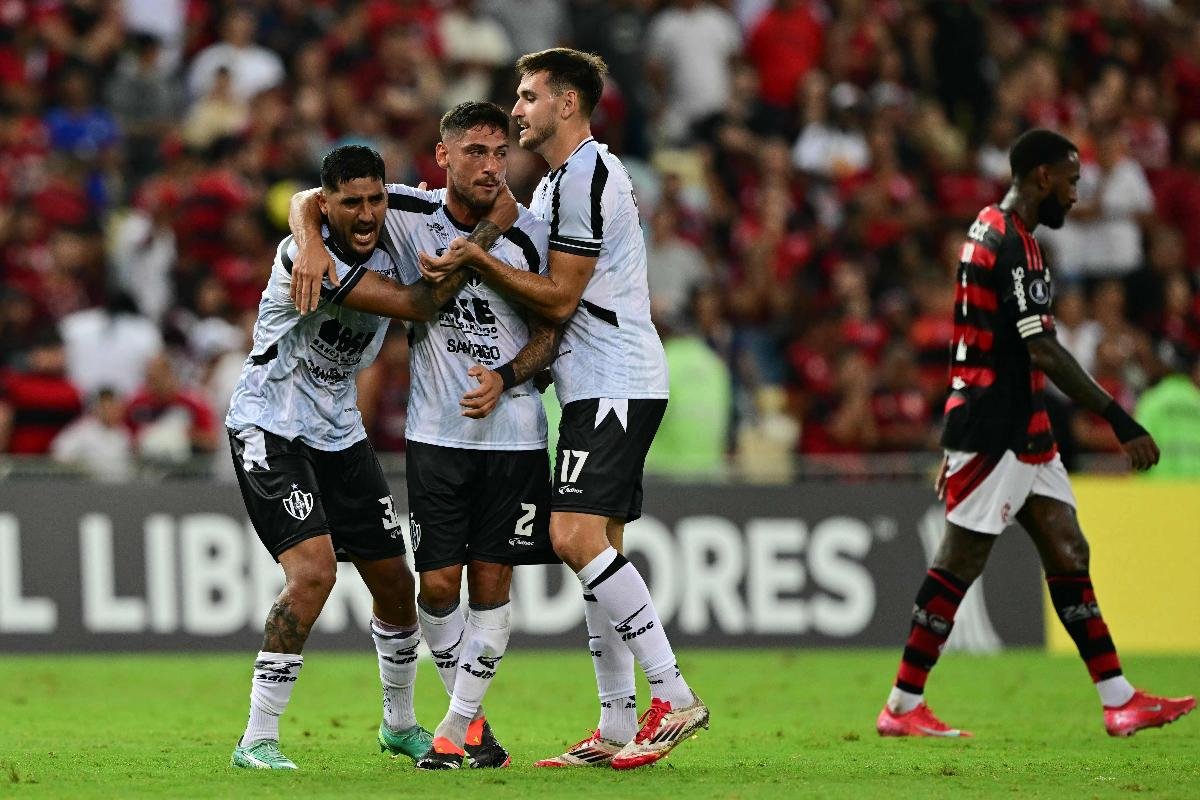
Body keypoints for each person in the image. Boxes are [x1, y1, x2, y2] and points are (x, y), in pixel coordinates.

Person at [418, 48, 708, 770]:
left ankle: (672, 693)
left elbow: (560, 298)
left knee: (573, 534)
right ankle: (615, 723)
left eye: (527, 97)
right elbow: (520, 240)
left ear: (567, 104)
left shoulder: (590, 175)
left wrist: (474, 259)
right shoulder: (556, 185)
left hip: (615, 381)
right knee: (597, 547)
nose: (516, 109)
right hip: (592, 385)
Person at [876, 129, 1195, 739]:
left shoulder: (988, 227)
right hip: (994, 427)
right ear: (1042, 176)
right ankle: (902, 705)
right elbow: (1042, 348)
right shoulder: (1014, 246)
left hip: (1023, 426)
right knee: (959, 561)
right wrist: (1118, 416)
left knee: (1068, 548)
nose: (1077, 196)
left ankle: (1120, 699)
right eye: (1072, 181)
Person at [287, 102, 561, 770]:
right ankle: (464, 724)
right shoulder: (404, 211)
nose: (490, 166)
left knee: (491, 582)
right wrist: (313, 242)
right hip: (437, 436)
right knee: (436, 588)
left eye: (500, 153)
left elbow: (555, 325)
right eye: (474, 152)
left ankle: (456, 728)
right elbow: (309, 198)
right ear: (443, 158)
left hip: (515, 434)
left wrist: (507, 373)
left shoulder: (530, 233)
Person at [226, 144, 516, 770]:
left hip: (338, 433)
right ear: (328, 204)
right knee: (314, 574)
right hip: (271, 426)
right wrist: (483, 240)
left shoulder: (388, 237)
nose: (365, 214)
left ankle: (400, 725)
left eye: (376, 199)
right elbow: (417, 305)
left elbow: (310, 201)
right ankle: (258, 737)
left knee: (394, 582)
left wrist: (489, 224)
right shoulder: (308, 258)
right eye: (349, 202)